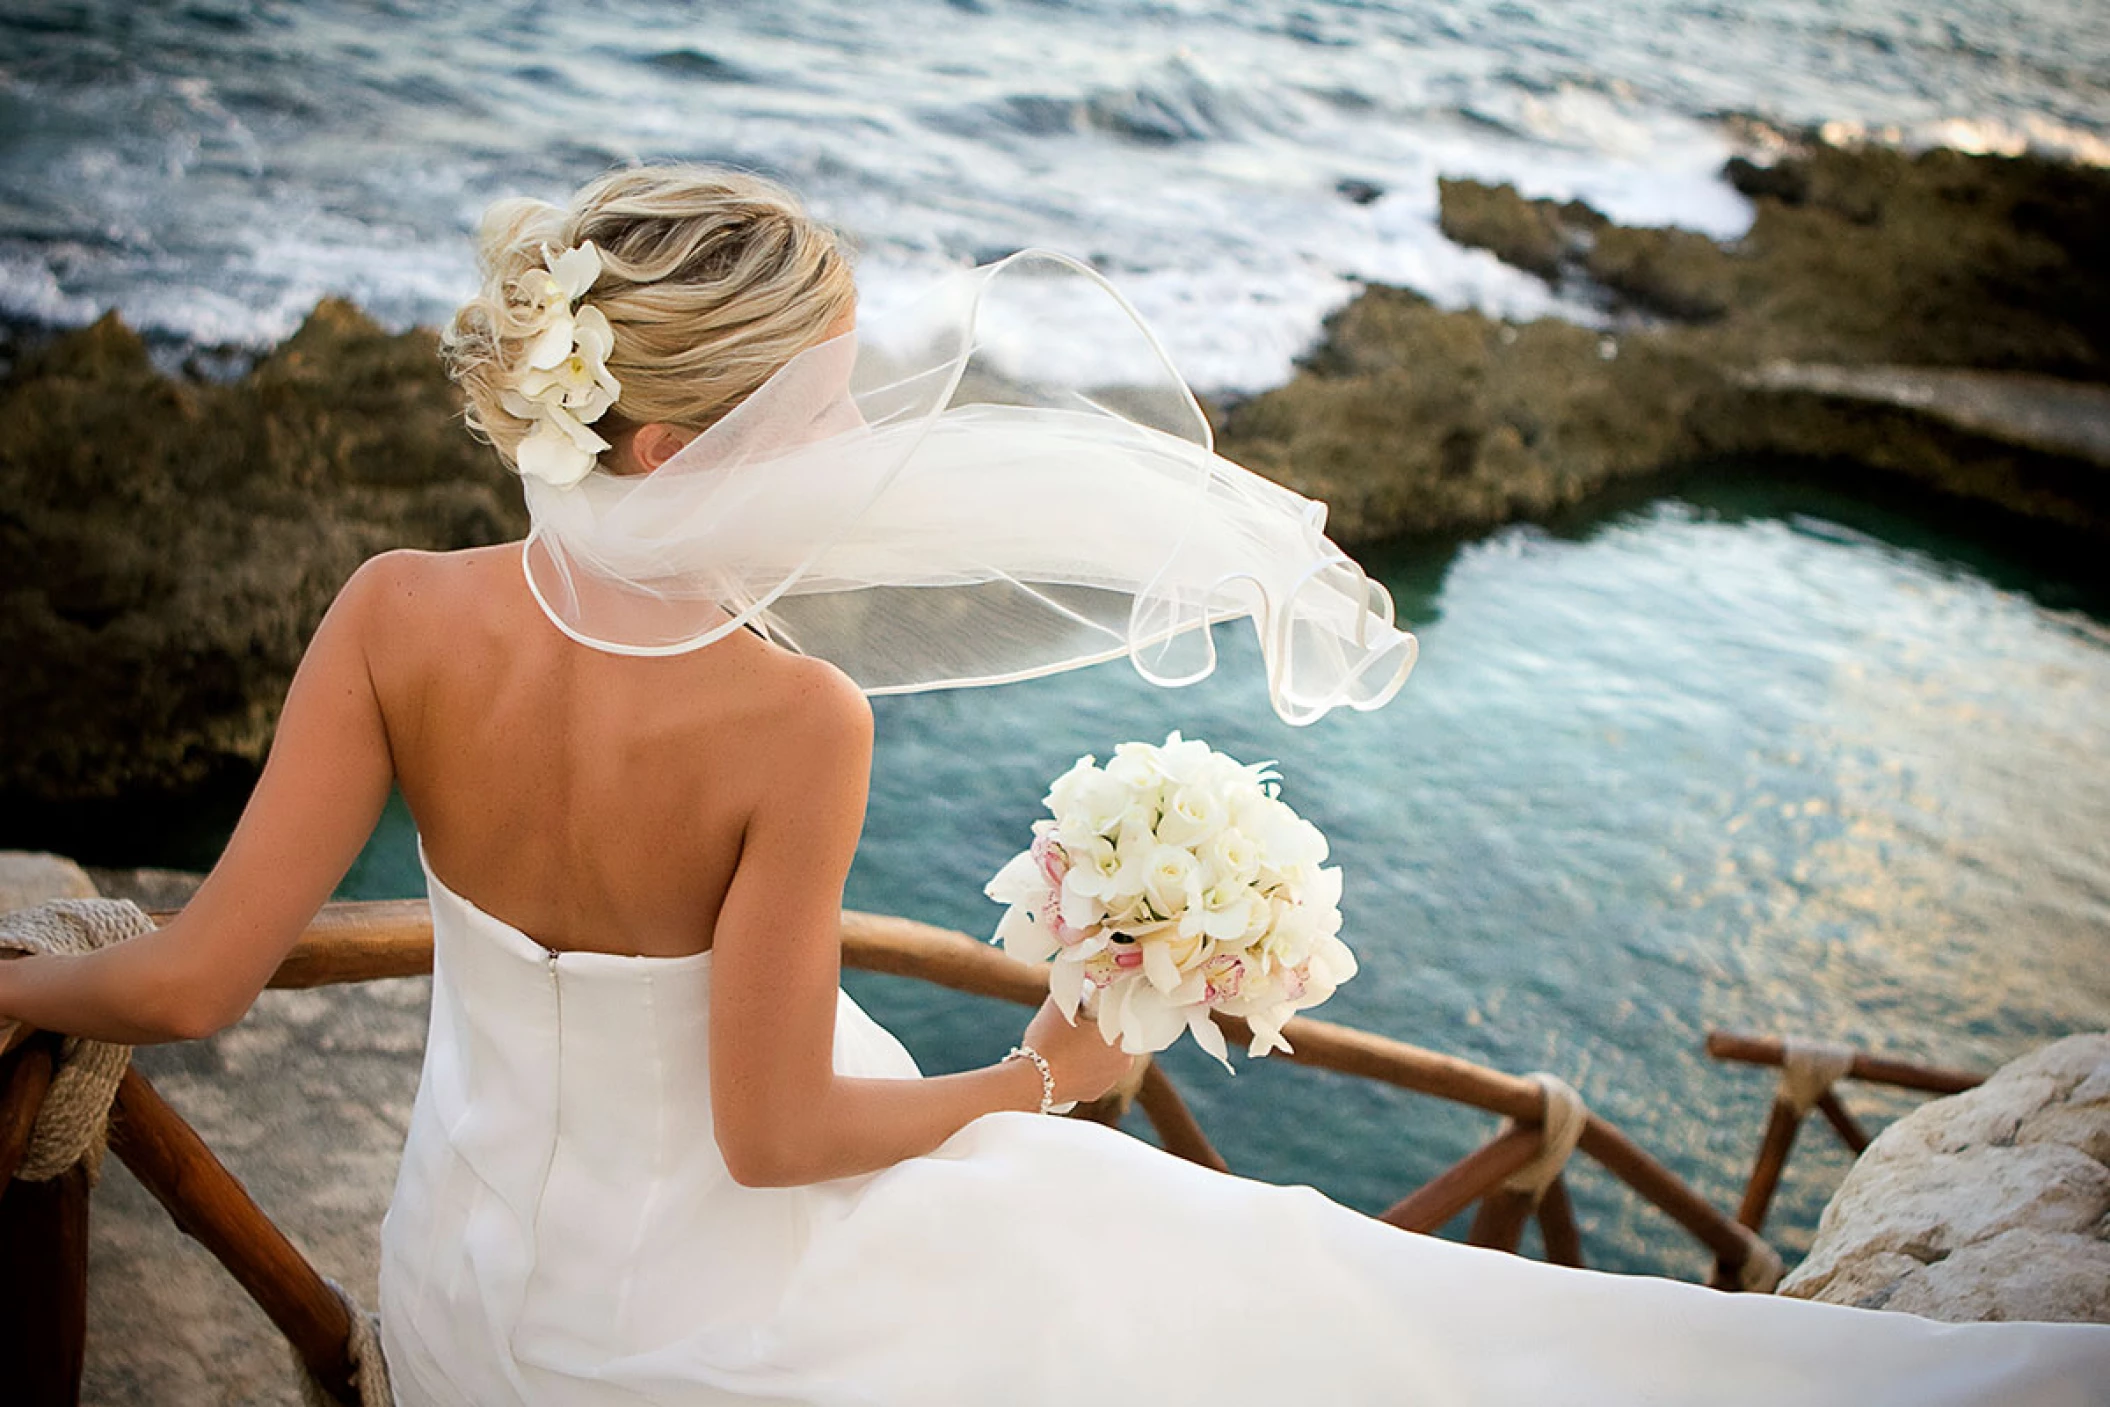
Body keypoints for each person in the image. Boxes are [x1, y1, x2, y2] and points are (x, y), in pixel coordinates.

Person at [2, 164, 2105, 1407]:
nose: (849, 451)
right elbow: (773, 1131)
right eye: (812, 414)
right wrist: (1035, 1082)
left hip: (464, 1288)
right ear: (660, 439)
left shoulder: (392, 608)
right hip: (691, 1329)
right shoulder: (789, 718)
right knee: (1232, 1278)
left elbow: (189, 983)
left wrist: (14, 993)